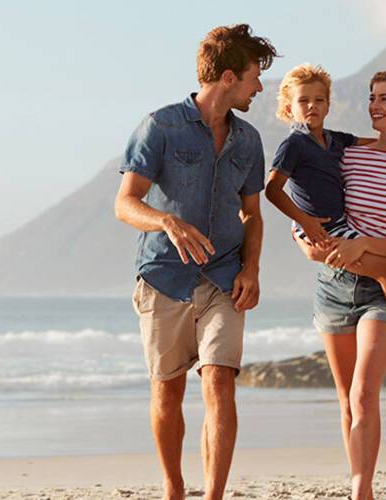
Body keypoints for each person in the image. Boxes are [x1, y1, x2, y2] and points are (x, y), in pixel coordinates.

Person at [111, 24, 277, 500]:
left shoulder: (248, 140)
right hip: (164, 278)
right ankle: (174, 488)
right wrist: (166, 221)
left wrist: (251, 269)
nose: (259, 87)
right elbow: (125, 203)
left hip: (225, 278)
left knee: (220, 382)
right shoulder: (159, 126)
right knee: (167, 390)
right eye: (253, 78)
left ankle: (214, 496)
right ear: (227, 77)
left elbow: (252, 214)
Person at [288, 69, 386, 500]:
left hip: (385, 293)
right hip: (333, 285)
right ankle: (359, 479)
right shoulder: (347, 155)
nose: (374, 106)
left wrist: (365, 246)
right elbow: (311, 200)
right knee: (346, 398)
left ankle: (361, 490)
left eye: (385, 99)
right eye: (371, 98)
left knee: (363, 393)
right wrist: (304, 239)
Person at [263, 63, 386, 354]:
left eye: (319, 100)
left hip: (356, 254)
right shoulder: (299, 145)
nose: (312, 106)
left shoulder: (337, 143)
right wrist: (302, 227)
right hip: (332, 266)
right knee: (385, 271)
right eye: (372, 98)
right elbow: (278, 190)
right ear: (288, 107)